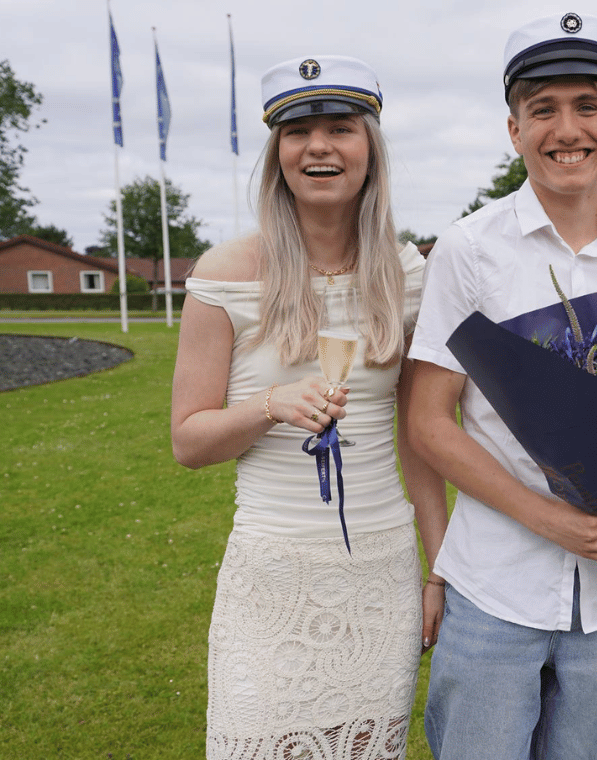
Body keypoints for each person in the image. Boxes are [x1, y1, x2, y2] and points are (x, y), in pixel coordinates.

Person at [407, 13, 597, 759]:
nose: (568, 129)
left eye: (588, 106)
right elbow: (429, 423)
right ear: (513, 128)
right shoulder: (470, 250)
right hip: (495, 589)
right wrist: (547, 518)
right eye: (543, 109)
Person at [170, 55, 447, 760]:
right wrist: (269, 403)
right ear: (279, 154)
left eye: (340, 128)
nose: (318, 146)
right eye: (298, 131)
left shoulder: (409, 274)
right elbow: (189, 442)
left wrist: (436, 569)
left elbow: (420, 436)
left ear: (369, 150)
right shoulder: (223, 276)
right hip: (272, 575)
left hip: (379, 569)